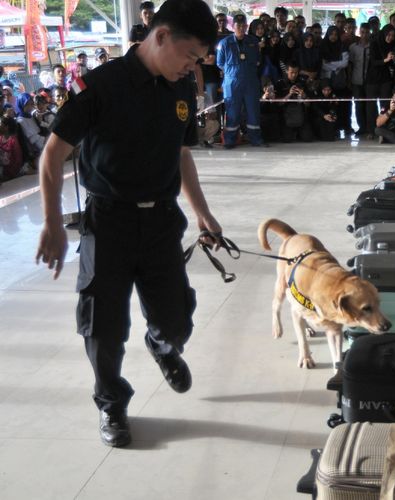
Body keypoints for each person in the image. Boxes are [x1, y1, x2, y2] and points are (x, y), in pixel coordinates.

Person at [35, 0, 222, 448]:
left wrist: (202, 212)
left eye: (199, 61)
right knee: (103, 326)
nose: (193, 67)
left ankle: (162, 344)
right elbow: (52, 155)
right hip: (108, 223)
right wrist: (53, 225)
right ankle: (111, 404)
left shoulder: (180, 89)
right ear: (160, 37)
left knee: (177, 318)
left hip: (161, 221)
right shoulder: (99, 85)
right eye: (190, 56)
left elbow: (181, 154)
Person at [216, 13, 265, 148]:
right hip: (232, 83)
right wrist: (233, 73)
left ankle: (256, 139)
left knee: (253, 111)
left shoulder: (253, 42)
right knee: (232, 112)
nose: (241, 28)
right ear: (233, 26)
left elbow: (258, 61)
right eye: (238, 26)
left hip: (250, 81)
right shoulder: (224, 43)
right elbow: (219, 63)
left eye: (244, 26)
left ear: (246, 26)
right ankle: (230, 140)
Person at [275, 62, 315, 143]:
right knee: (287, 140)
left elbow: (309, 104)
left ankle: (299, 133)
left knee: (308, 138)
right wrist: (289, 94)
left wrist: (303, 96)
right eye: (291, 72)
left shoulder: (303, 82)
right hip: (287, 117)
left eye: (296, 72)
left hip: (301, 115)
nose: (294, 75)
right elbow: (278, 104)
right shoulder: (280, 83)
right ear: (286, 71)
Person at [349, 23, 374, 138]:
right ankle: (361, 127)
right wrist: (349, 79)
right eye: (362, 32)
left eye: (367, 32)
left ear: (370, 33)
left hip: (370, 80)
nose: (364, 35)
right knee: (358, 104)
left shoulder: (373, 46)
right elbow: (351, 64)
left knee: (370, 105)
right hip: (357, 79)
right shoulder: (353, 47)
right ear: (359, 32)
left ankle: (371, 128)